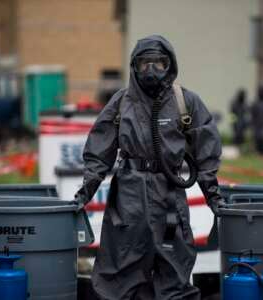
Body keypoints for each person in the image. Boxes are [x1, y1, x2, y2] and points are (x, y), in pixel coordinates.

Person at [75, 35, 223, 300]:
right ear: (134, 66)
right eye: (145, 64)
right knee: (119, 270)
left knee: (174, 268)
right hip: (128, 199)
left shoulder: (185, 102)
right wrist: (85, 191)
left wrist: (213, 197)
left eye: (159, 64)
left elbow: (206, 154)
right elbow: (99, 152)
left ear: (170, 65)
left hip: (169, 197)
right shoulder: (121, 103)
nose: (152, 71)